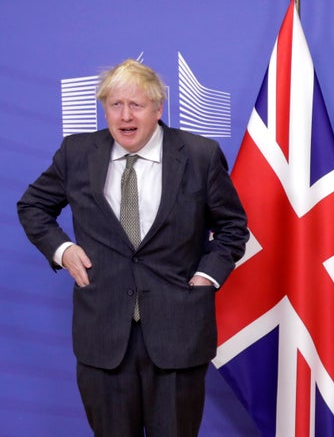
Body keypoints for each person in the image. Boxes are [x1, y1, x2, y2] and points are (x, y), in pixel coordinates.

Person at [17, 59, 249, 437]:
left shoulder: (199, 154)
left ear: (158, 109)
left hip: (178, 333)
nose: (125, 116)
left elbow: (233, 227)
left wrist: (207, 276)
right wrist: (62, 250)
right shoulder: (76, 153)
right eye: (115, 104)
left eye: (136, 105)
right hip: (103, 335)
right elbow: (32, 207)